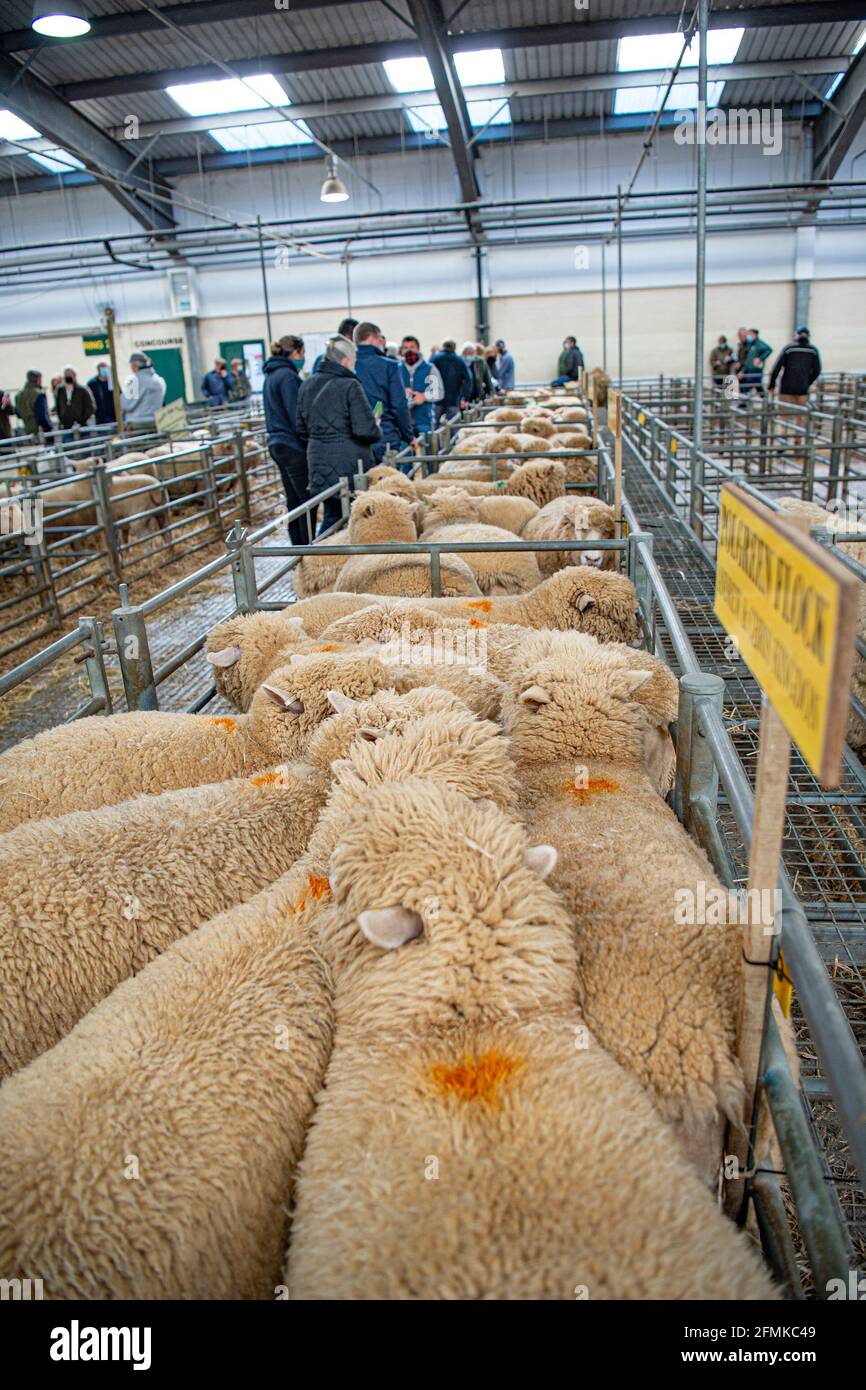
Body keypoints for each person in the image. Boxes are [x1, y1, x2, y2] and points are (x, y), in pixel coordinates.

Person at [296, 335, 381, 536]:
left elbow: (300, 428)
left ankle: (319, 556)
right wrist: (376, 425)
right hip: (349, 462)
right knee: (351, 516)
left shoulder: (306, 384)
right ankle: (321, 559)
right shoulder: (350, 386)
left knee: (332, 514)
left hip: (317, 460)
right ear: (345, 360)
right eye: (353, 362)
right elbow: (365, 430)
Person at [262, 335, 310, 544]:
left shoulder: (271, 375)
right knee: (306, 501)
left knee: (294, 499)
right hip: (292, 445)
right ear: (295, 353)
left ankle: (297, 547)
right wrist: (307, 440)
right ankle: (306, 548)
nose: (303, 358)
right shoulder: (288, 377)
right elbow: (295, 414)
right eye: (302, 354)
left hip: (276, 443)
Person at [352, 321, 414, 460]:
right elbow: (398, 405)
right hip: (384, 435)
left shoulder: (349, 365)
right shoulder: (389, 366)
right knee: (389, 480)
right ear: (372, 338)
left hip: (356, 439)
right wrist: (408, 436)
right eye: (380, 338)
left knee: (362, 480)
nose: (382, 343)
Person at [398, 335, 443, 445]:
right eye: (405, 347)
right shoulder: (397, 369)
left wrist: (424, 396)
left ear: (418, 349)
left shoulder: (430, 368)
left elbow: (439, 392)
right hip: (404, 423)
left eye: (412, 347)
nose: (409, 350)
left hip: (424, 420)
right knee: (405, 455)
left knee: (427, 454)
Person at [768, 327, 822, 408]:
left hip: (786, 388)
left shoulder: (789, 349)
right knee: (801, 416)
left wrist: (772, 384)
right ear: (808, 336)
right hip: (803, 389)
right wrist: (808, 382)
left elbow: (777, 368)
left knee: (784, 416)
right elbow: (817, 370)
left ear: (796, 335)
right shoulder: (813, 351)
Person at [121, 352, 166, 429]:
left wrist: (122, 396)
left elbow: (127, 405)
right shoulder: (159, 380)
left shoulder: (135, 381)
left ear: (134, 365)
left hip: (138, 424)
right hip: (156, 422)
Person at [431, 339, 472, 421]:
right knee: (452, 426)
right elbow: (468, 379)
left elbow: (428, 375)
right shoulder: (459, 361)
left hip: (436, 398)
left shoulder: (435, 358)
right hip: (453, 398)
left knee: (433, 427)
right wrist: (465, 397)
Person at [54, 366, 95, 441]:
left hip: (82, 424)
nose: (68, 377)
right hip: (66, 425)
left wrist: (82, 419)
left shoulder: (82, 389)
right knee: (67, 445)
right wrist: (62, 418)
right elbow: (58, 406)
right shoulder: (60, 390)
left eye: (70, 375)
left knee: (85, 444)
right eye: (66, 375)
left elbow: (91, 407)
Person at [14, 370, 53, 440]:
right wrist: (49, 428)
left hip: (26, 430)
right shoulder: (38, 394)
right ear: (38, 379)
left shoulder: (19, 395)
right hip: (40, 431)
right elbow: (42, 416)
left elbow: (18, 414)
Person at [736, 328, 772, 401]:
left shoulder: (759, 344)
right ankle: (768, 404)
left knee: (745, 388)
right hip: (750, 370)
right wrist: (742, 371)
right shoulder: (751, 345)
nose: (747, 336)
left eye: (749, 334)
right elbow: (748, 361)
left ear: (754, 335)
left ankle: (743, 405)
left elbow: (769, 349)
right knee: (758, 389)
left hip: (756, 370)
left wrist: (760, 358)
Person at [87, 361, 116, 426]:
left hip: (113, 416)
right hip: (99, 417)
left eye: (105, 367)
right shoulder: (92, 383)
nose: (104, 369)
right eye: (102, 367)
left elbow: (119, 395)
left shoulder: (112, 381)